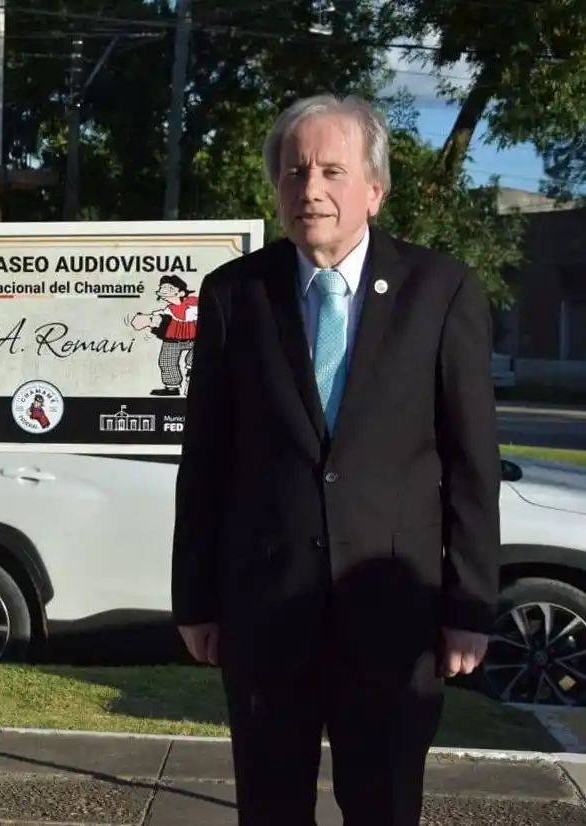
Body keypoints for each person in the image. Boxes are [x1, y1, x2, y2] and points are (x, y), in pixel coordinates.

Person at [171, 94, 501, 826]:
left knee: (384, 808)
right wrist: (194, 600)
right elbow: (205, 463)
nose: (309, 189)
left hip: (394, 620)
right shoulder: (233, 295)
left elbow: (471, 463)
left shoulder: (441, 292)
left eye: (330, 171)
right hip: (265, 614)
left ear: (374, 190)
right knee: (270, 809)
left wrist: (470, 607)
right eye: (293, 173)